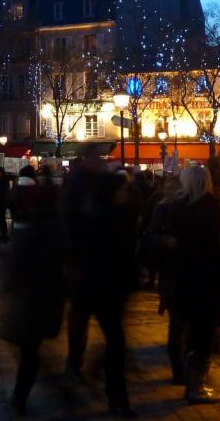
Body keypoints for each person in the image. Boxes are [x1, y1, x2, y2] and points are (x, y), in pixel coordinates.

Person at [64, 158, 139, 418]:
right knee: (114, 342)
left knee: (113, 342)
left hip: (103, 288)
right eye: (121, 190)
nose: (125, 194)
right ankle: (113, 396)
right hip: (101, 287)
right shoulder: (103, 221)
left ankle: (111, 393)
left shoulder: (110, 216)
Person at [147, 165, 220, 404]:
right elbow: (215, 243)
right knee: (204, 329)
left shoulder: (172, 206)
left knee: (179, 324)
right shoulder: (210, 205)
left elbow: (152, 236)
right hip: (204, 277)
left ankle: (183, 375)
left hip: (177, 276)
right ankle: (196, 383)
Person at [0, 171, 65, 416]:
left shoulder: (30, 231)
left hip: (28, 303)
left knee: (29, 352)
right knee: (31, 351)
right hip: (41, 302)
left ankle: (21, 397)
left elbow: (14, 271)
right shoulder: (53, 229)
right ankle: (48, 387)